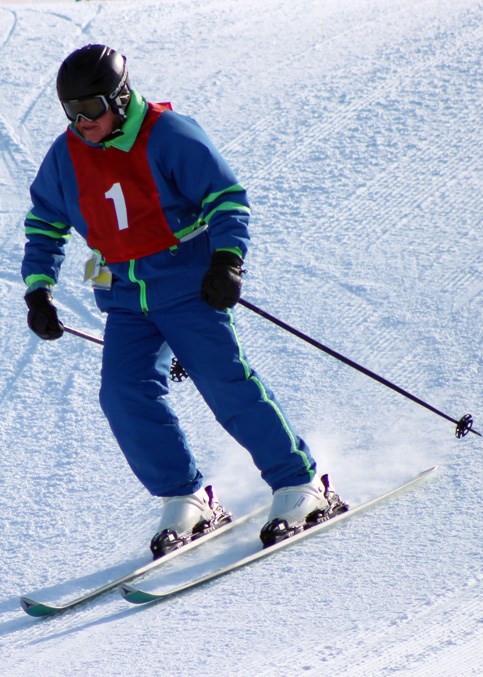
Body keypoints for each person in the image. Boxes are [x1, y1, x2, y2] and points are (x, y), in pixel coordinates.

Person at [22, 44, 346, 557]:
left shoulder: (167, 136)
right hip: (125, 296)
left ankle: (300, 483)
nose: (82, 121)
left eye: (92, 108)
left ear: (121, 98)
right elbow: (45, 222)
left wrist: (227, 262)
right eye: (71, 111)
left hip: (188, 285)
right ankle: (185, 496)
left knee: (224, 383)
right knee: (123, 394)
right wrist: (38, 290)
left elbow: (226, 198)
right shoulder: (66, 157)